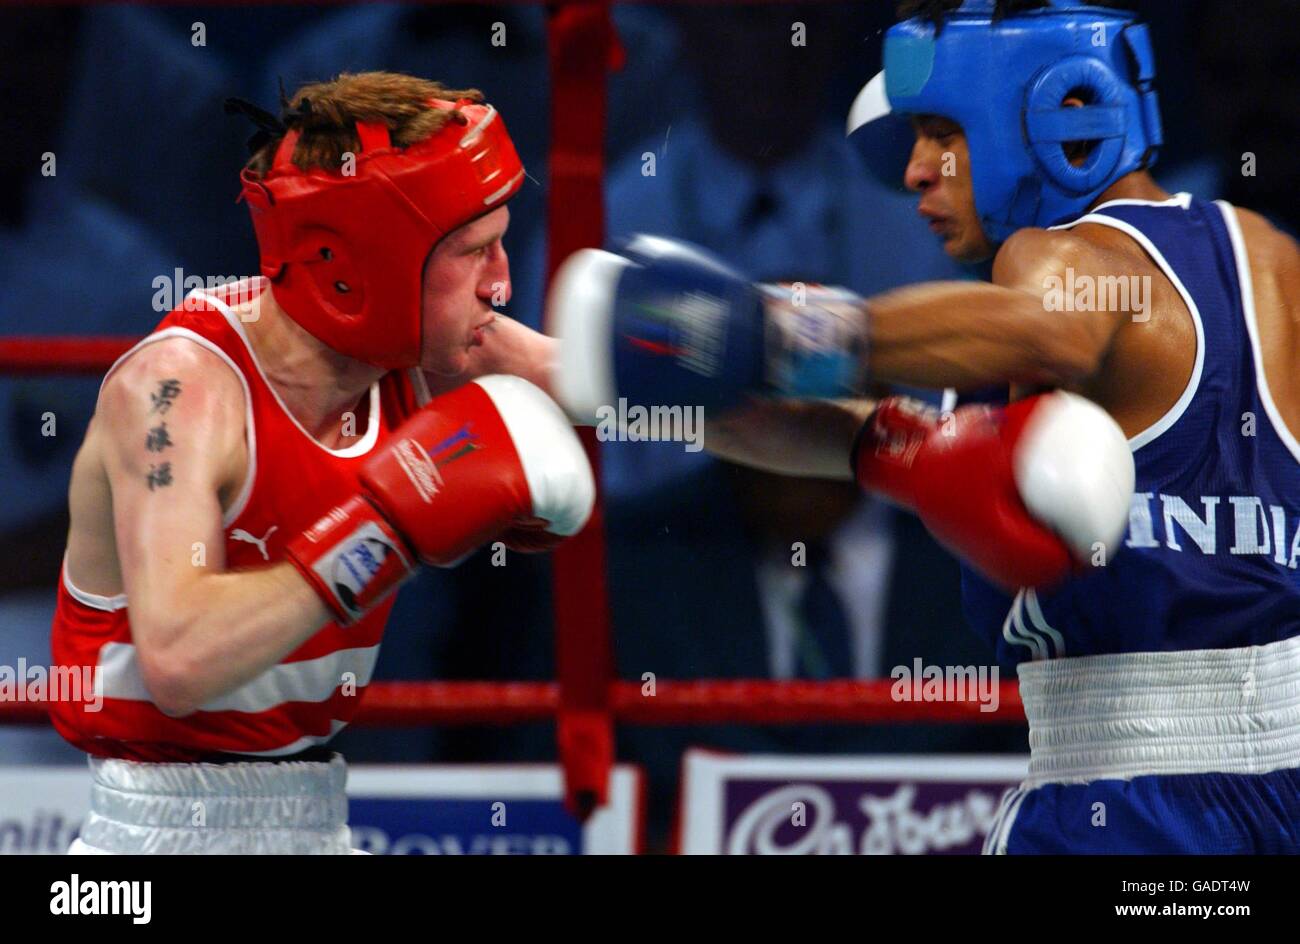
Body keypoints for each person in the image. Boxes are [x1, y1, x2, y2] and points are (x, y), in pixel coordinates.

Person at [548, 0, 1300, 852]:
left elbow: (1055, 326)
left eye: (941, 132)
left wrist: (769, 331)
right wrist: (594, 372)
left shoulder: (1051, 262)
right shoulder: (1267, 258)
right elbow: (852, 440)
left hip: (1133, 803)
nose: (912, 171)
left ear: (1059, 114)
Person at [48, 72, 595, 854]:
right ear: (363, 263)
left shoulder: (429, 350)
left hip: (315, 815)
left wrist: (789, 350)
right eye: (474, 251)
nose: (502, 283)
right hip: (148, 843)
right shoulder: (176, 392)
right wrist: (388, 530)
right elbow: (178, 659)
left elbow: (627, 386)